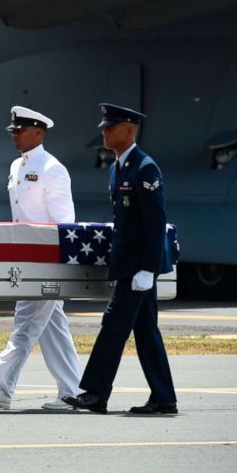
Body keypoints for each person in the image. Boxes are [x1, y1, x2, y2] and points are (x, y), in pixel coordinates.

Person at [64, 103, 177, 415]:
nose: (104, 131)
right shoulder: (118, 168)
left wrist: (148, 268)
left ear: (129, 130)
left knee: (114, 324)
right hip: (129, 264)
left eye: (110, 127)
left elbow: (155, 224)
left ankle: (95, 392)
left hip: (139, 267)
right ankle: (164, 397)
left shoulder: (145, 168)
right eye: (104, 126)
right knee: (145, 331)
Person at [0, 106, 82, 411]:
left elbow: (65, 222)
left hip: (45, 261)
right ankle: (73, 391)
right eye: (13, 130)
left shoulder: (52, 169)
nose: (15, 135)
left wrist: (58, 264)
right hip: (25, 259)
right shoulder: (16, 166)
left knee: (25, 325)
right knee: (52, 328)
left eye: (20, 130)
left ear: (38, 132)